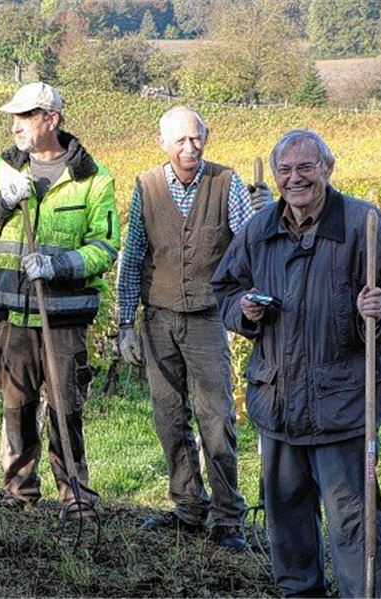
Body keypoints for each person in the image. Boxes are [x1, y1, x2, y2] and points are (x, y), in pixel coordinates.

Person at [212, 129, 381, 596]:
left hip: (344, 410)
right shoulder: (259, 229)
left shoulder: (362, 224)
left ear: (328, 170)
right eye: (285, 170)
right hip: (279, 406)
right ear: (275, 176)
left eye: (306, 168)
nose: (295, 179)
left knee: (354, 527)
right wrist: (244, 310)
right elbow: (225, 290)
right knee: (287, 526)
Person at [116, 106, 270, 550]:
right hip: (158, 317)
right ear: (163, 143)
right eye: (180, 140)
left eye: (196, 138)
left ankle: (228, 519)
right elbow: (132, 258)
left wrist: (265, 215)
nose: (189, 147)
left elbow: (250, 245)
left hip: (207, 316)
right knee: (168, 418)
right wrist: (126, 322)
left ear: (206, 138)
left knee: (216, 418)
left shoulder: (227, 183)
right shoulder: (146, 186)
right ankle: (187, 507)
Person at [0, 82, 117, 517]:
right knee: (16, 405)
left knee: (66, 407)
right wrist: (0, 204)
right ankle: (19, 490)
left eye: (26, 117)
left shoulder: (93, 179)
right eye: (14, 117)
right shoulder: (0, 170)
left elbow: (105, 247)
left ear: (52, 120)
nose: (16, 126)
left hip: (64, 317)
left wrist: (58, 266)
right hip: (11, 311)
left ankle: (76, 495)